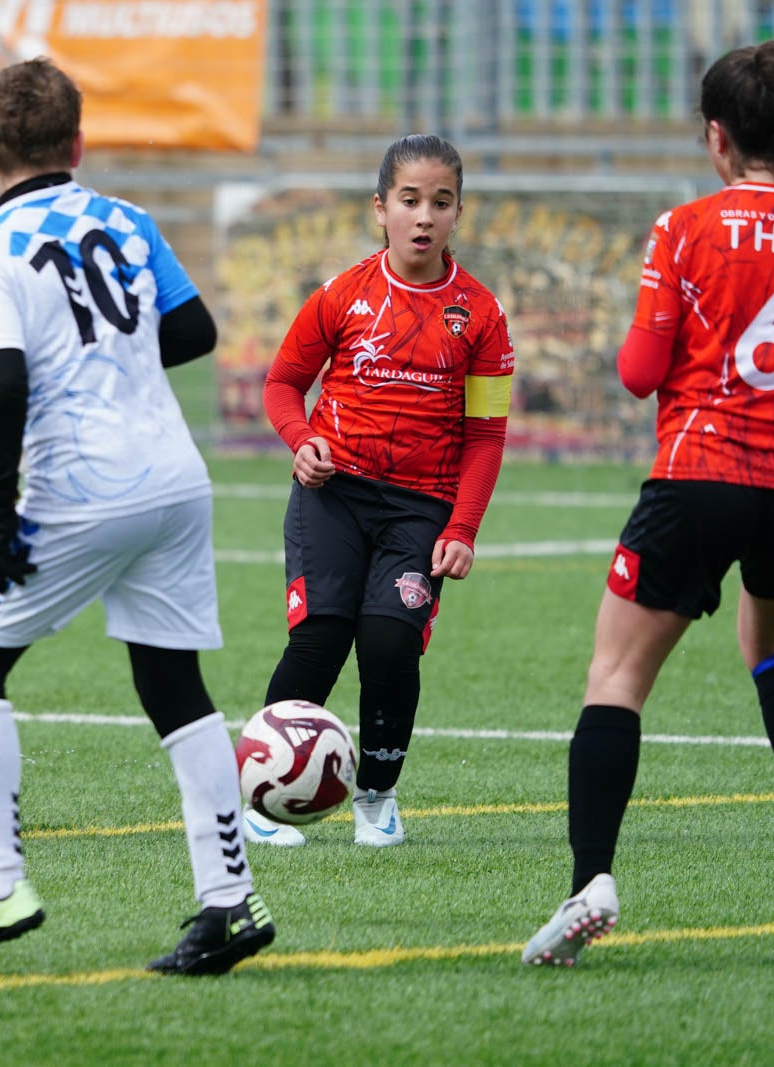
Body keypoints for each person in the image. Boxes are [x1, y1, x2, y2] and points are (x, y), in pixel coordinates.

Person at [0, 57, 274, 977]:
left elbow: (3, 377)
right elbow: (195, 332)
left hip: (80, 486)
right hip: (175, 480)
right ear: (78, 143)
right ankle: (230, 903)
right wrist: (109, 346)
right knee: (171, 684)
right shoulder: (128, 218)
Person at [524, 40, 774, 966]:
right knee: (772, 642)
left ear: (718, 138)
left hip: (699, 473)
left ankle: (591, 882)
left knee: (616, 680)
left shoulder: (685, 228)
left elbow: (639, 371)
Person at [260, 134, 515, 849]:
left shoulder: (483, 316)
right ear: (381, 209)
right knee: (320, 635)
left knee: (388, 642)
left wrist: (461, 528)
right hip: (333, 492)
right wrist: (299, 440)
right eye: (409, 201)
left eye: (440, 202)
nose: (423, 216)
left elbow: (487, 434)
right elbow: (282, 385)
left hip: (420, 506)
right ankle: (263, 794)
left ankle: (376, 795)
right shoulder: (342, 294)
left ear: (459, 212)